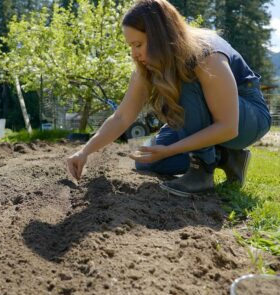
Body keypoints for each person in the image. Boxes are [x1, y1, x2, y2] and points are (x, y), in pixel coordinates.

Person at [66, 0, 271, 197]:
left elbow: (228, 126)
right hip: (214, 120)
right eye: (131, 46)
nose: (134, 54)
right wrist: (84, 152)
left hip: (248, 118)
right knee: (145, 159)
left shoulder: (207, 55)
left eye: (138, 44)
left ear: (159, 38)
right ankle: (227, 157)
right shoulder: (147, 67)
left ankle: (202, 170)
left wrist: (170, 150)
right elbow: (121, 117)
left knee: (187, 81)